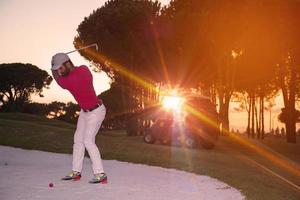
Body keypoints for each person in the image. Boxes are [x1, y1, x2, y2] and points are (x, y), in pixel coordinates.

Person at [51, 52, 107, 184]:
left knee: (88, 141)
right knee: (78, 140)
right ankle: (76, 172)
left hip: (97, 111)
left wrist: (51, 68)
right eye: (57, 69)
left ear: (67, 63)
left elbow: (59, 80)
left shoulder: (70, 80)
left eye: (60, 68)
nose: (59, 71)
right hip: (85, 112)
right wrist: (55, 65)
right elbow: (62, 75)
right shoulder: (83, 69)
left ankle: (100, 174)